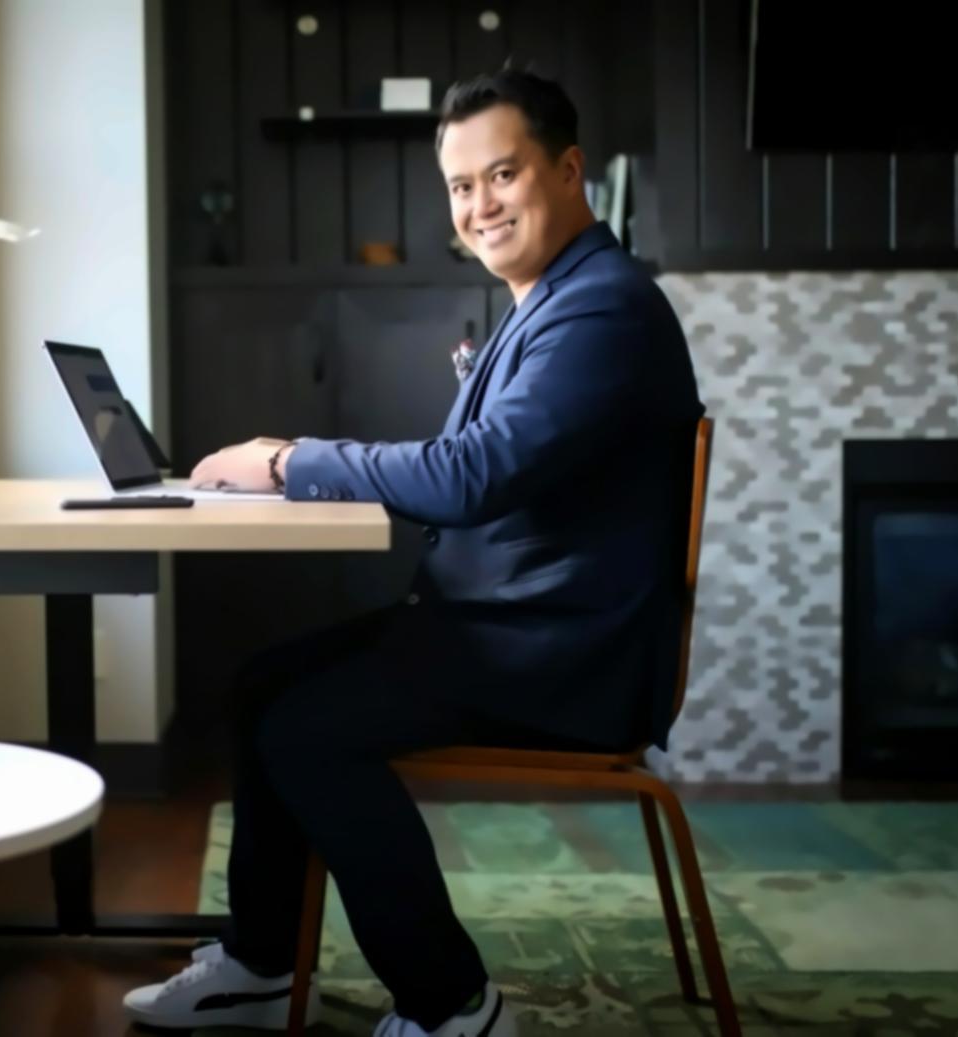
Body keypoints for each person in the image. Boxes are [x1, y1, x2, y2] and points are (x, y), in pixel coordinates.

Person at [123, 64, 704, 1037]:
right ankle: (262, 965)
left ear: (568, 170)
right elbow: (468, 470)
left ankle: (449, 1004)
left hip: (555, 654)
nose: (478, 205)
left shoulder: (602, 306)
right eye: (459, 185)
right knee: (263, 684)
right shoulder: (555, 298)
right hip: (506, 625)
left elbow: (470, 474)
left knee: (303, 726)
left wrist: (286, 459)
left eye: (502, 174)